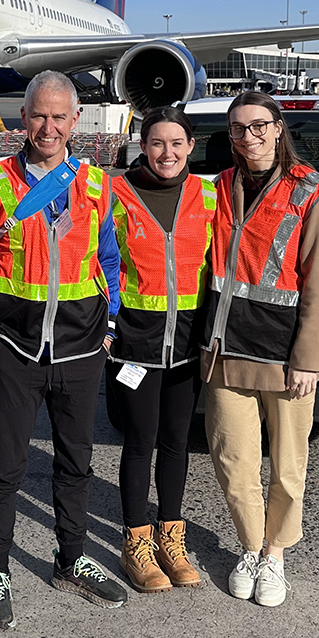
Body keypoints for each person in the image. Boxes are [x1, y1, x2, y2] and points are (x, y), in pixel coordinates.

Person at [0, 70, 126, 629]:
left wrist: (107, 328)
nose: (48, 126)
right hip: (15, 349)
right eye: (39, 114)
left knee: (75, 463)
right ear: (23, 118)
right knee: (5, 466)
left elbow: (109, 259)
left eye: (59, 116)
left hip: (82, 350)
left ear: (75, 121)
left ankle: (72, 557)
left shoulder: (96, 185)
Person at [201, 91, 319, 608]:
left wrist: (309, 358)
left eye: (259, 125)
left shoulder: (313, 192)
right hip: (226, 347)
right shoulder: (220, 186)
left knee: (285, 465)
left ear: (278, 128)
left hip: (284, 356)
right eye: (238, 129)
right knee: (233, 460)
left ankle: (277, 554)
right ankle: (252, 547)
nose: (248, 137)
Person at [107, 106, 215, 593]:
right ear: (142, 145)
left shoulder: (209, 195)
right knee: (140, 440)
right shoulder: (116, 193)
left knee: (176, 443)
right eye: (156, 143)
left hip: (189, 345)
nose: (167, 153)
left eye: (176, 143)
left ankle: (172, 536)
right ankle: (136, 542)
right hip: (137, 345)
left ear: (191, 146)